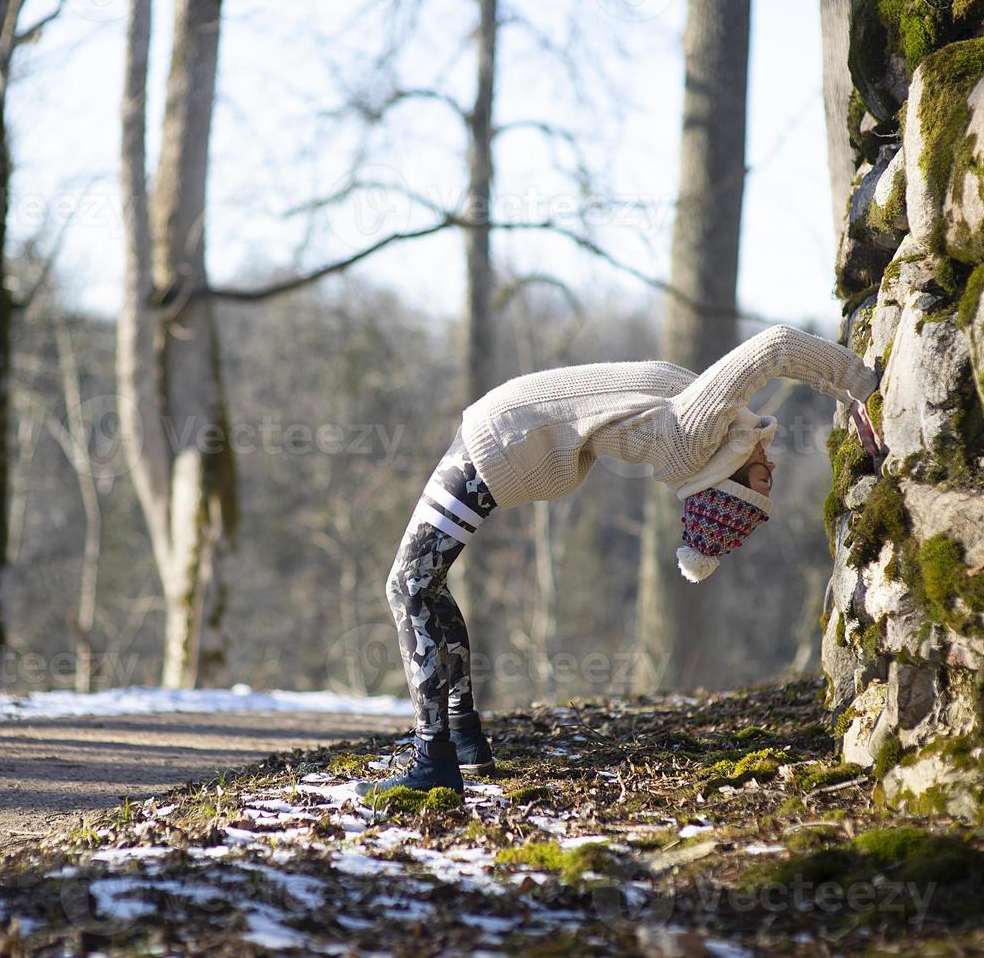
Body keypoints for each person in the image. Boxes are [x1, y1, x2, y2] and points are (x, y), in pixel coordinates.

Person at [355, 324, 880, 799]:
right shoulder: (712, 427)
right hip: (517, 435)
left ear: (726, 481)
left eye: (762, 478)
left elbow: (778, 344)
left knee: (408, 586)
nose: (771, 463)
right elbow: (777, 348)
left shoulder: (699, 432)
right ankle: (462, 737)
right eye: (769, 477)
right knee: (427, 582)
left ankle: (433, 756)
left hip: (507, 439)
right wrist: (855, 394)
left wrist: (859, 385)